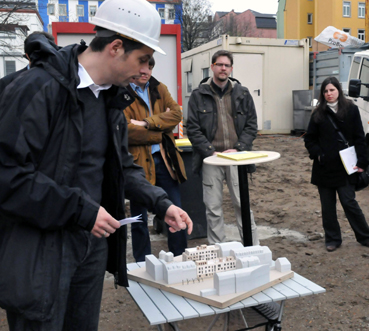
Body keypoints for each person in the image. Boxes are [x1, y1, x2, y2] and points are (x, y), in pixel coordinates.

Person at [0, 0, 193, 329]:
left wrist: (161, 203)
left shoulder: (110, 100)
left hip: (90, 247)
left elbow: (122, 167)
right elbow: (8, 174)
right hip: (39, 251)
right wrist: (82, 210)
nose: (145, 70)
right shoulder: (38, 88)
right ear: (116, 47)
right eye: (142, 59)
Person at [187, 50, 259, 245]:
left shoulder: (242, 94)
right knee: (213, 208)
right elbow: (192, 129)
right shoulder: (198, 95)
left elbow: (252, 125)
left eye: (227, 65)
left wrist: (239, 148)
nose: (223, 68)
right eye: (219, 64)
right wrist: (210, 151)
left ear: (231, 68)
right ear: (212, 67)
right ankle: (218, 250)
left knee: (242, 204)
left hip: (237, 158)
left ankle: (252, 247)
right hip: (211, 158)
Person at [124, 56, 187, 260]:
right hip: (137, 164)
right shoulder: (122, 92)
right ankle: (142, 264)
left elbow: (176, 115)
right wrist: (159, 130)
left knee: (175, 211)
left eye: (149, 67)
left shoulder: (159, 88)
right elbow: (124, 130)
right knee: (138, 218)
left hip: (165, 160)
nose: (145, 71)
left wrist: (145, 123)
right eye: (141, 66)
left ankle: (179, 258)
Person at [304, 76, 369, 252]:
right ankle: (333, 239)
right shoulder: (318, 113)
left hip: (346, 166)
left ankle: (366, 237)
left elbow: (359, 137)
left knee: (349, 202)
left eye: (332, 90)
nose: (329, 94)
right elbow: (310, 139)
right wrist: (318, 154)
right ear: (322, 93)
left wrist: (362, 162)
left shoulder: (350, 109)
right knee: (327, 207)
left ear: (338, 91)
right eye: (326, 91)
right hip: (325, 168)